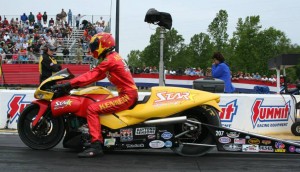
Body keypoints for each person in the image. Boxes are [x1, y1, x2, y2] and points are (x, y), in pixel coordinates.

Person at [53, 32, 138, 158]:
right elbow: (94, 77)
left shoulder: (110, 60)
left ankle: (96, 145)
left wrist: (68, 84)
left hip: (127, 96)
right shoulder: (113, 58)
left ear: (103, 45)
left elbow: (92, 75)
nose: (92, 49)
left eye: (94, 46)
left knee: (92, 109)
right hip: (128, 94)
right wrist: (73, 85)